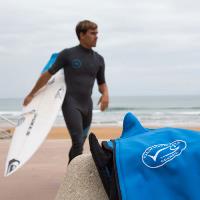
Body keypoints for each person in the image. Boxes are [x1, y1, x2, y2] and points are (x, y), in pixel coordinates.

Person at [23, 20, 109, 163]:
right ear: (81, 35)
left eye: (97, 33)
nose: (97, 36)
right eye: (92, 33)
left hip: (87, 105)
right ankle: (72, 175)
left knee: (80, 142)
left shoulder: (99, 59)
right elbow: (48, 75)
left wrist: (105, 94)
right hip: (71, 103)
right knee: (77, 141)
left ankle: (72, 172)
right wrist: (31, 94)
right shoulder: (68, 54)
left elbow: (101, 83)